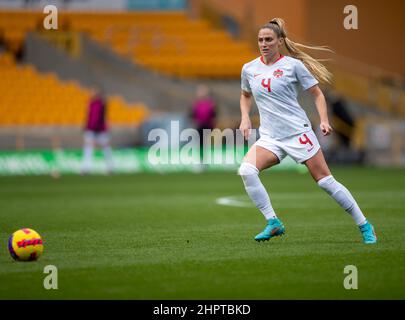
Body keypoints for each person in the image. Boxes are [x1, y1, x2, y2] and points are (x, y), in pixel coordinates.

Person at [238, 18, 377, 244]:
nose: (264, 44)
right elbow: (245, 95)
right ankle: (273, 222)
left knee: (325, 181)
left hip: (297, 133)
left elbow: (317, 94)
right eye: (260, 40)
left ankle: (364, 225)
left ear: (280, 41)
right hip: (270, 137)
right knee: (246, 170)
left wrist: (323, 120)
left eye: (269, 40)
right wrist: (245, 118)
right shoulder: (249, 69)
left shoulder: (293, 66)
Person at [81, 86, 114, 174]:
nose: (92, 93)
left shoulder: (101, 104)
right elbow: (89, 118)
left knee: (106, 148)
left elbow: (100, 118)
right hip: (91, 130)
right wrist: (86, 128)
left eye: (94, 91)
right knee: (88, 149)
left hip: (100, 130)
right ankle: (86, 168)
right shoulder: (90, 103)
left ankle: (110, 168)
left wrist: (96, 129)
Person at [190, 85, 217, 163]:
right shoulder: (196, 104)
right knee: (200, 143)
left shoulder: (211, 104)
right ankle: (201, 159)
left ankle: (205, 159)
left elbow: (213, 115)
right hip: (199, 126)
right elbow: (193, 115)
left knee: (205, 143)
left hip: (208, 126)